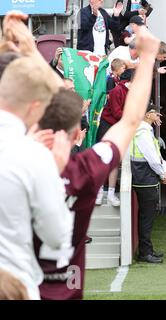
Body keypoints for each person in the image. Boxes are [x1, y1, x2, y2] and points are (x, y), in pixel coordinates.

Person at [33, 25, 162, 299]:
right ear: (79, 134)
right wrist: (148, 58)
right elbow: (130, 121)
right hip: (63, 288)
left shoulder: (12, 165)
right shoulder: (84, 171)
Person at [0, 12, 73, 300]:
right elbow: (57, 237)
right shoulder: (32, 157)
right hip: (17, 285)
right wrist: (52, 172)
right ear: (34, 106)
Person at [131, 106, 166, 263]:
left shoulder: (144, 130)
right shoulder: (143, 132)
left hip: (144, 178)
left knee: (147, 217)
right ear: (147, 115)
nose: (158, 114)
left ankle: (147, 249)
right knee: (147, 218)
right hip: (145, 179)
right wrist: (162, 173)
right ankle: (145, 253)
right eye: (154, 111)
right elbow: (152, 158)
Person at [96, 68, 135, 206]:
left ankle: (111, 194)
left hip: (120, 126)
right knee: (103, 159)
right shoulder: (116, 91)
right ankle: (99, 192)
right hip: (107, 125)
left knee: (115, 161)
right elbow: (117, 112)